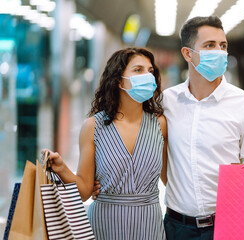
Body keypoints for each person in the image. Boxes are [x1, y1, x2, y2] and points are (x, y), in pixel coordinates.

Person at [92, 16, 244, 240]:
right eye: (209, 45)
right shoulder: (167, 102)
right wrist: (103, 181)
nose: (219, 52)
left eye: (223, 46)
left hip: (227, 225)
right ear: (187, 54)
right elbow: (143, 143)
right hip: (176, 227)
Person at [42, 48, 167, 240]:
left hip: (149, 223)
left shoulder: (160, 124)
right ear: (118, 80)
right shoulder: (93, 126)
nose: (147, 76)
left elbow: (170, 178)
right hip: (104, 224)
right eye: (138, 70)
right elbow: (84, 191)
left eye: (150, 71)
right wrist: (62, 168)